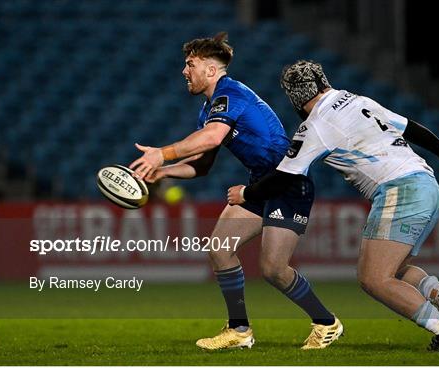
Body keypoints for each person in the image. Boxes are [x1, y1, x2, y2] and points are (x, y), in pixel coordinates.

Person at [227, 60, 439, 352]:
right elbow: (409, 127)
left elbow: (284, 177)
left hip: (400, 191)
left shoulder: (316, 124)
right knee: (393, 269)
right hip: (426, 183)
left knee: (374, 279)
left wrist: (247, 193)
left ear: (295, 95)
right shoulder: (358, 100)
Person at [130, 35, 343, 350]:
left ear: (212, 70)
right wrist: (161, 172)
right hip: (260, 183)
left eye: (191, 64)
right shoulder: (210, 109)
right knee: (219, 247)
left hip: (286, 183)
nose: (184, 71)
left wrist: (162, 154)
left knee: (273, 269)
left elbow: (212, 138)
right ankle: (239, 330)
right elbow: (201, 165)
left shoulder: (231, 94)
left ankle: (326, 323)